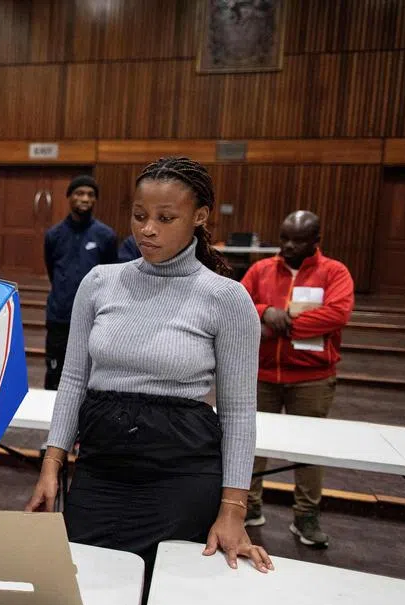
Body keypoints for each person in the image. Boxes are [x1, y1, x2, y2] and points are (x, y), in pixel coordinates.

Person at [24, 156, 272, 574]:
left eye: (165, 218)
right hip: (101, 469)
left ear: (199, 217)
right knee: (87, 586)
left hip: (181, 476)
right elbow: (73, 381)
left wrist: (233, 509)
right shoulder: (99, 283)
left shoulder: (226, 298)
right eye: (139, 216)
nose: (148, 229)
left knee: (165, 594)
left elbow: (238, 411)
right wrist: (52, 464)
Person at [240, 211, 354, 548]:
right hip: (262, 374)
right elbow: (239, 302)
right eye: (284, 237)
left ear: (316, 241)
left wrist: (283, 324)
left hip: (311, 378)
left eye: (298, 240)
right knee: (250, 444)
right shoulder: (261, 269)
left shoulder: (334, 272)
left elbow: (337, 313)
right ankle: (248, 506)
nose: (288, 245)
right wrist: (264, 312)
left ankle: (306, 515)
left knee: (309, 451)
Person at [43, 175, 117, 390]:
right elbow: (52, 270)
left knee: (90, 374)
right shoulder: (53, 235)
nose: (85, 198)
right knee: (55, 373)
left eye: (90, 194)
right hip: (60, 315)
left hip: (93, 317)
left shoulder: (106, 236)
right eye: (79, 193)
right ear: (69, 197)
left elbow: (110, 275)